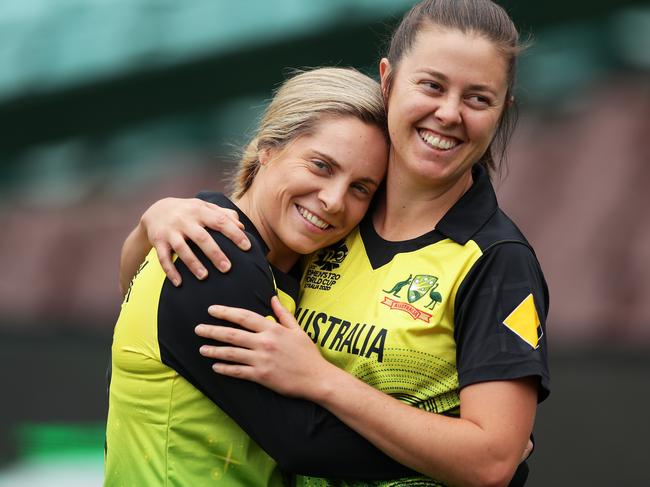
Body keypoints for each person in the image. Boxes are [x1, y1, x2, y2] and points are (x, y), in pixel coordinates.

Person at [122, 1, 550, 486]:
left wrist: (322, 380)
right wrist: (152, 219)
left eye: (478, 98)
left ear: (502, 110)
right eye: (432, 85)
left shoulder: (497, 262)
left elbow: (491, 461)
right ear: (388, 81)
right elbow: (153, 301)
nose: (449, 113)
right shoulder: (330, 225)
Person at [104, 66, 418, 486]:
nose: (333, 200)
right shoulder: (215, 258)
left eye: (360, 188)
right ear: (267, 148)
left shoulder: (260, 255)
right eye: (321, 166)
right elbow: (304, 442)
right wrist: (468, 456)